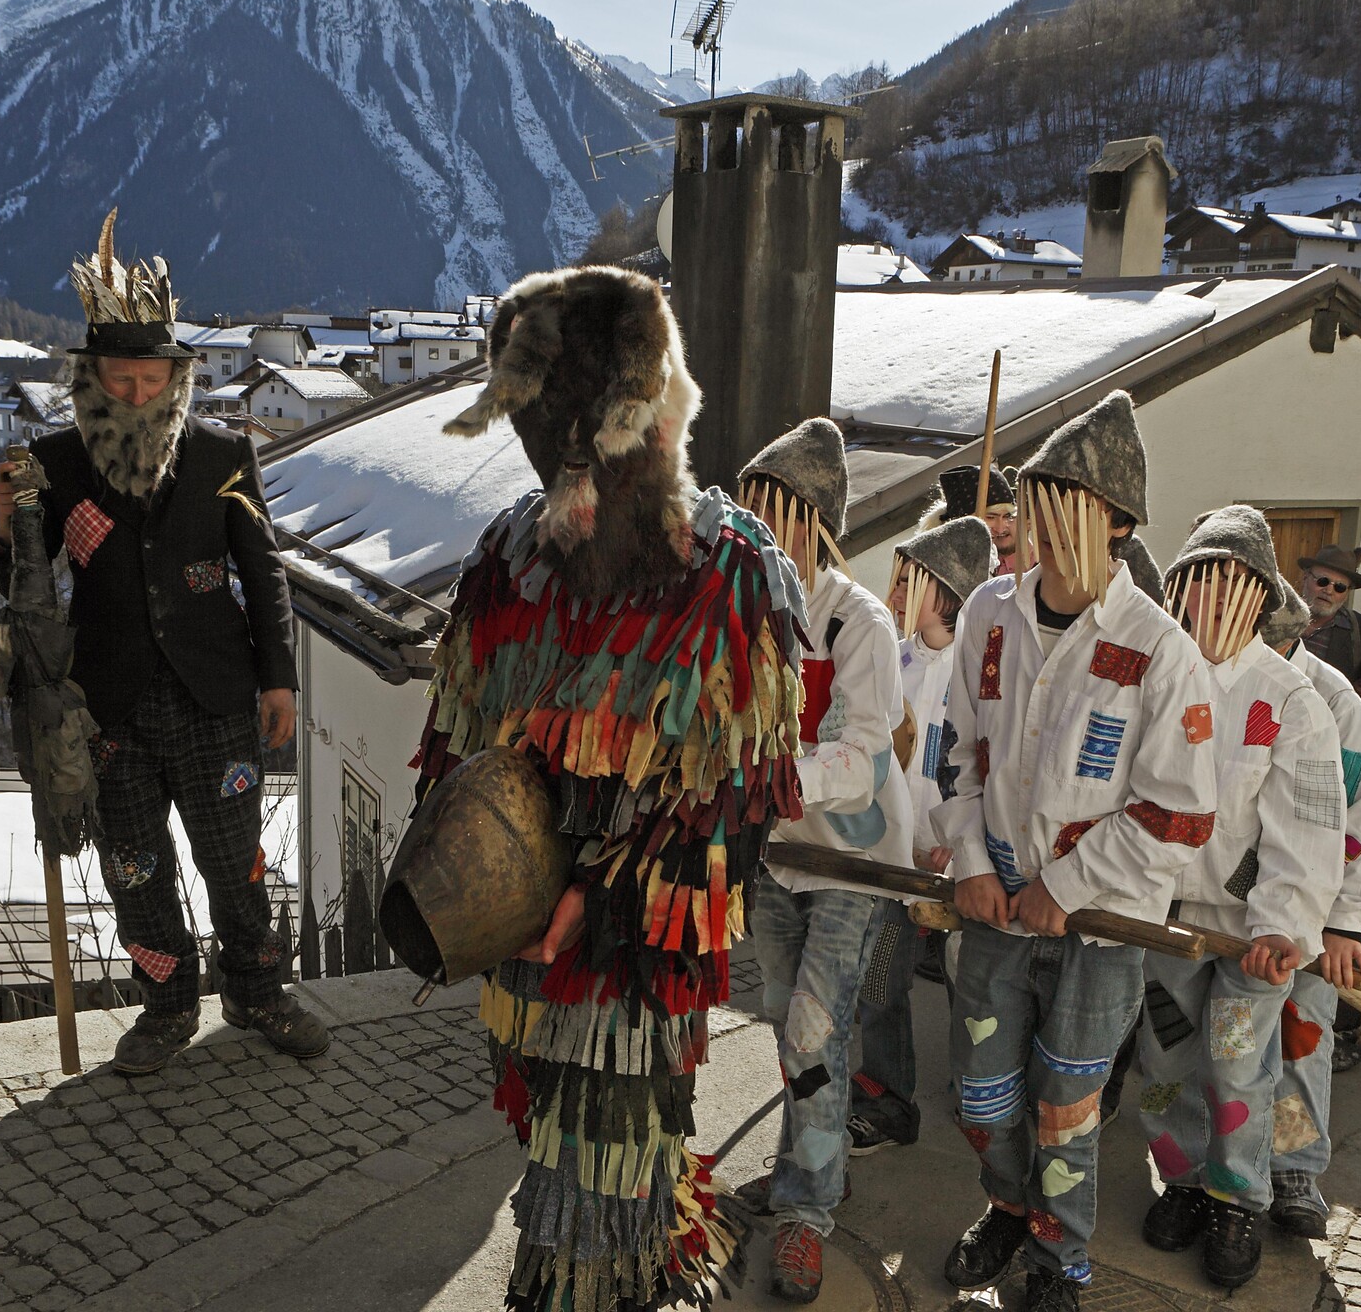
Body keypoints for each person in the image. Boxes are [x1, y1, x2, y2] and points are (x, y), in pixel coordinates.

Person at [412, 267, 806, 1311]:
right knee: (567, 1150)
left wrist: (612, 904)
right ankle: (651, 1256)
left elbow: (742, 809)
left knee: (595, 1193)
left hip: (635, 961)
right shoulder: (505, 562)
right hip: (522, 953)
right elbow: (456, 750)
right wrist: (458, 878)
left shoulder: (737, 578)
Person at [0, 215, 318, 1076]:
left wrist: (278, 679)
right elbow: (21, 585)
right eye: (120, 381)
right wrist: (3, 525)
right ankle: (167, 1007)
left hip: (217, 699)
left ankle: (256, 992)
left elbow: (265, 572)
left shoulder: (223, 455)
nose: (137, 396)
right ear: (91, 381)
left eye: (150, 381)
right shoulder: (53, 465)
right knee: (134, 869)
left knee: (236, 860)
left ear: (177, 379)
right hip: (110, 707)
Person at [933, 391, 1217, 1312]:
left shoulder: (1160, 650)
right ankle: (1010, 1205)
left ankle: (1061, 1260)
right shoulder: (988, 614)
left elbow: (1182, 812)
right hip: (994, 909)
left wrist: (1068, 882)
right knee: (982, 1094)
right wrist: (970, 858)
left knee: (1067, 1109)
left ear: (1119, 525)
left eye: (1067, 517)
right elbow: (959, 751)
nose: (1042, 541)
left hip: (1103, 926)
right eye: (1034, 514)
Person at [733, 418, 917, 1303]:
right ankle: (807, 1160)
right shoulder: (742, 610)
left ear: (809, 522)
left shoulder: (859, 620)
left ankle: (808, 1211)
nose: (754, 534)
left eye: (770, 516)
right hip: (775, 857)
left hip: (852, 863)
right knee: (783, 1015)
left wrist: (767, 781)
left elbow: (866, 758)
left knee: (816, 1026)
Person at [1136, 509, 1344, 1289]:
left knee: (1236, 1064)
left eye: (1231, 584)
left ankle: (1237, 1196)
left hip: (1249, 933)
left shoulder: (1290, 697)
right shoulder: (1158, 671)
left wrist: (1285, 922)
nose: (1211, 601)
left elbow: (1310, 822)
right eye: (1199, 582)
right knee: (1163, 1060)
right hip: (1164, 920)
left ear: (1258, 596)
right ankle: (1181, 1178)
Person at [847, 516, 995, 1157]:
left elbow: (987, 767)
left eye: (914, 578)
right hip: (892, 856)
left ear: (949, 590)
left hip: (964, 860)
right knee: (881, 980)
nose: (898, 588)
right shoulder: (895, 661)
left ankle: (985, 1096)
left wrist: (962, 843)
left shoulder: (984, 668)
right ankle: (886, 1098)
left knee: (978, 988)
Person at [1259, 586, 1361, 1238]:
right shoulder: (1203, 667)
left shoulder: (1334, 700)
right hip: (1213, 904)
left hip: (1305, 907)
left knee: (1300, 1036)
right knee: (1186, 1042)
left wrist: (1343, 919)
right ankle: (1186, 1171)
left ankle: (1294, 1169)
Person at [1296, 545, 1361, 692]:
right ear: (1305, 577)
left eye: (1339, 587)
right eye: (1323, 581)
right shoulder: (1274, 616)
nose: (1329, 590)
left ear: (1347, 593)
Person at [923, 466, 1017, 574]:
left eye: (1006, 516)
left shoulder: (989, 557)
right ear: (962, 518)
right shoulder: (937, 561)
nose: (1000, 529)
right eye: (990, 517)